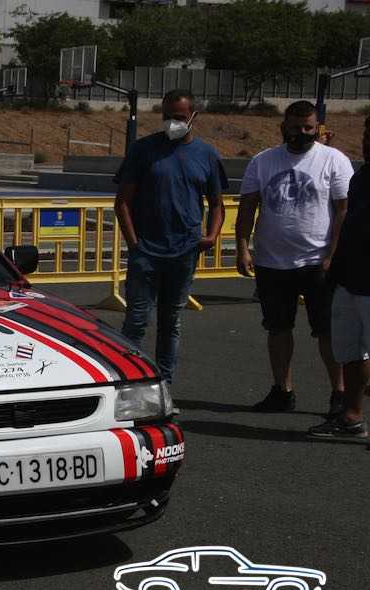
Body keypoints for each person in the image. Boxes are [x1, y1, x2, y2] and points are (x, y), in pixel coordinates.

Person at [236, 100, 353, 415]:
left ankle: (340, 393)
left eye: (308, 128)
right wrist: (243, 247)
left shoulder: (334, 160)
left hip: (317, 262)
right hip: (272, 262)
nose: (301, 133)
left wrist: (332, 255)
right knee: (277, 328)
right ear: (283, 128)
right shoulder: (263, 161)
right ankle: (282, 391)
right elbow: (247, 206)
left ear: (317, 129)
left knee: (327, 331)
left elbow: (343, 211)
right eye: (295, 127)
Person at [115, 89, 228, 386]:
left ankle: (164, 384)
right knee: (136, 321)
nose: (172, 123)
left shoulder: (206, 155)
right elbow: (123, 201)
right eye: (166, 116)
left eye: (178, 117)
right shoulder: (143, 150)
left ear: (193, 117)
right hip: (147, 252)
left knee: (171, 322)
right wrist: (134, 244)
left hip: (184, 252)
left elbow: (217, 203)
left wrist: (211, 235)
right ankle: (132, 384)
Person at [308, 115, 370, 438]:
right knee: (349, 353)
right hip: (350, 281)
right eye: (367, 134)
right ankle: (351, 417)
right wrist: (335, 272)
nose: (367, 141)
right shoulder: (361, 178)